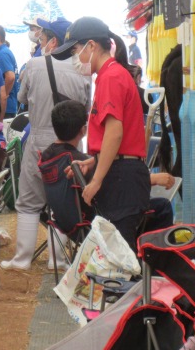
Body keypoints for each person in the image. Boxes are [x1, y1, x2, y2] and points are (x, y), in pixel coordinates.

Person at [52, 16, 150, 254]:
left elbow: (115, 134)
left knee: (119, 257)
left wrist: (96, 181)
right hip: (122, 172)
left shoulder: (111, 77)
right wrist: (93, 161)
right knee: (116, 253)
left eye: (75, 51)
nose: (75, 59)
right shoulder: (110, 75)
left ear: (91, 46)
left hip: (122, 178)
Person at [0, 17, 91, 271]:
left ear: (54, 41)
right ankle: (57, 260)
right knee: (64, 202)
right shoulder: (83, 71)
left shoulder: (34, 64)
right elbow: (86, 108)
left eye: (42, 37)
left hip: (39, 140)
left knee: (29, 201)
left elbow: (21, 97)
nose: (39, 41)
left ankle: (22, 259)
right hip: (71, 146)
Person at [39, 100, 95, 234]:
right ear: (83, 130)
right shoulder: (78, 161)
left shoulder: (46, 155)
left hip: (62, 223)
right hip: (87, 225)